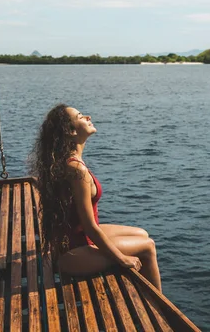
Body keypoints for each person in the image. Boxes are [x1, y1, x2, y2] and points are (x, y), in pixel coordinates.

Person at [31, 104, 162, 291]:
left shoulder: (68, 161)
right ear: (71, 131)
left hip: (77, 240)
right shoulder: (77, 170)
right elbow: (90, 227)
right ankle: (161, 312)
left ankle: (145, 296)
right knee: (148, 247)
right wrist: (122, 258)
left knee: (142, 234)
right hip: (72, 254)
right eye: (80, 116)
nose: (88, 117)